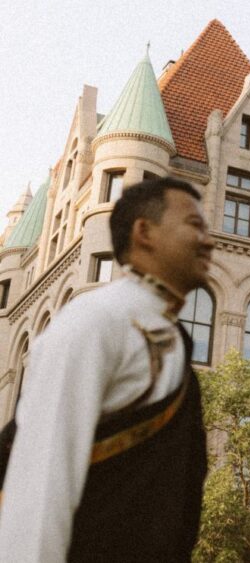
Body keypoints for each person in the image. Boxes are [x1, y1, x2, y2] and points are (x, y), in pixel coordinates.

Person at [0, 177, 213, 562]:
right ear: (144, 232)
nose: (209, 240)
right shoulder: (95, 319)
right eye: (194, 225)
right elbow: (43, 478)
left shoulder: (171, 335)